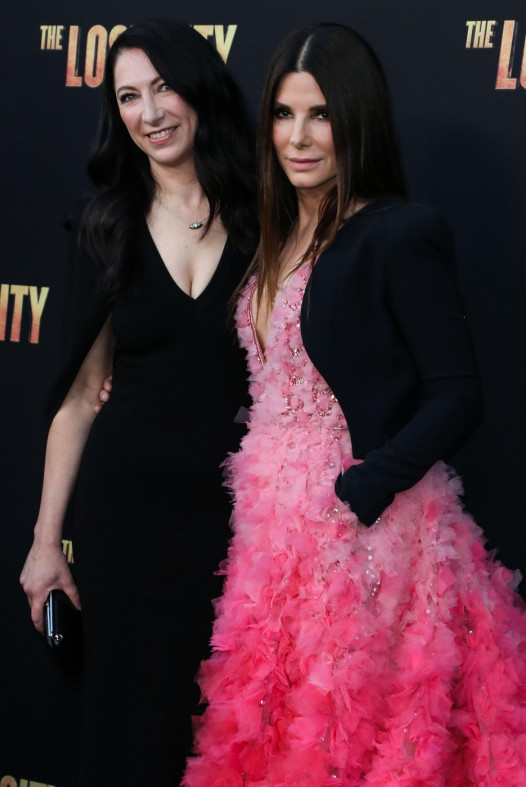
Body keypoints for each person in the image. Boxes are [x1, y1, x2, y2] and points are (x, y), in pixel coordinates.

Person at [183, 23, 526, 786]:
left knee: (347, 739)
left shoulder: (400, 233)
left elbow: (457, 394)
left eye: (321, 115)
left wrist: (365, 485)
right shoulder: (270, 233)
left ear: (357, 119)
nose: (298, 137)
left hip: (366, 531)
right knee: (269, 725)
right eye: (282, 113)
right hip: (271, 527)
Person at [19, 19, 257, 786]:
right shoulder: (104, 225)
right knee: (127, 724)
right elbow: (83, 395)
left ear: (198, 89)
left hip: (241, 520)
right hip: (126, 518)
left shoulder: (265, 217)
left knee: (229, 723)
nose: (149, 111)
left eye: (163, 87)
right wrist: (46, 541)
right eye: (128, 96)